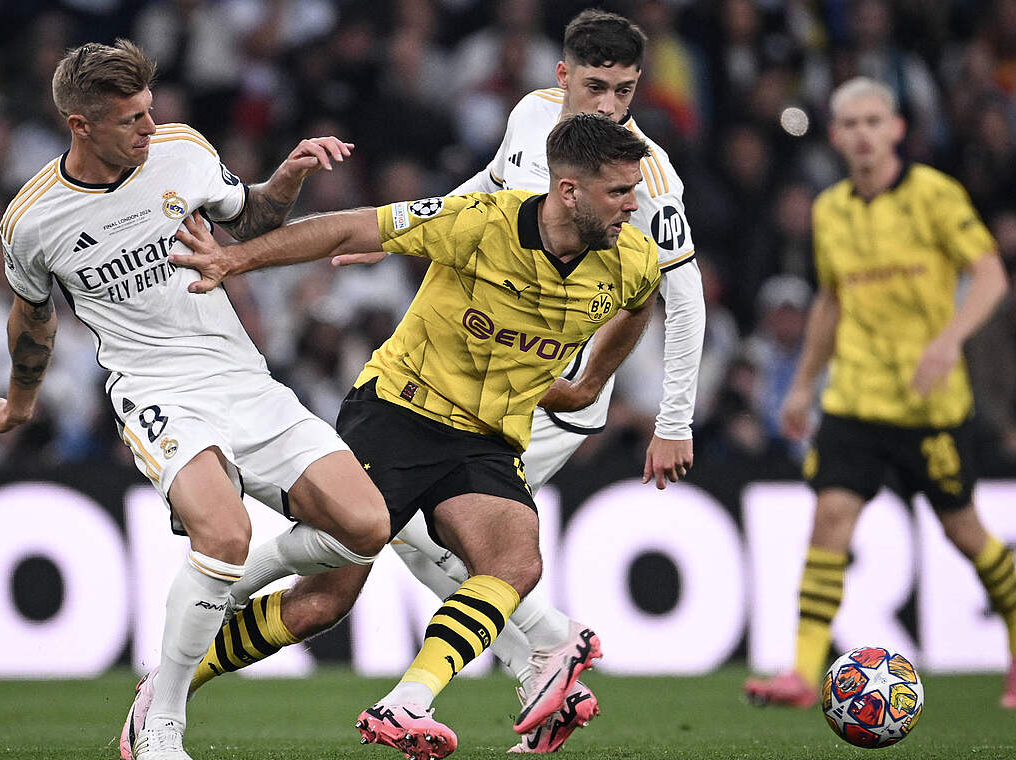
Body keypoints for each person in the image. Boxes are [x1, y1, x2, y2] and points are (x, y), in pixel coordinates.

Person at [175, 12, 705, 753]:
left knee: (491, 554)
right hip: (410, 403)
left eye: (623, 92)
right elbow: (461, 198)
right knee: (341, 574)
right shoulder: (518, 155)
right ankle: (181, 663)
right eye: (596, 87)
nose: (610, 106)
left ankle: (485, 675)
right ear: (562, 80)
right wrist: (398, 232)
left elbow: (669, 293)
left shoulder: (642, 185)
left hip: (519, 408)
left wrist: (628, 399)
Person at [0, 40, 390, 760]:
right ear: (79, 125)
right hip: (156, 391)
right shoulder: (32, 221)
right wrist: (19, 403)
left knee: (366, 526)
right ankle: (160, 723)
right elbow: (32, 319)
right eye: (131, 118)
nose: (149, 127)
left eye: (150, 110)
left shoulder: (183, 150)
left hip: (243, 378)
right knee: (223, 535)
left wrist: (287, 175)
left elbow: (253, 220)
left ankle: (213, 601)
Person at [743, 77, 1016, 710]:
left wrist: (948, 341)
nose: (862, 134)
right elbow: (829, 300)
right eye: (849, 124)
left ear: (897, 129)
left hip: (928, 404)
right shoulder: (829, 210)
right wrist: (802, 385)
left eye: (873, 121)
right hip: (855, 399)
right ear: (834, 135)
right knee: (829, 519)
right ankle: (802, 670)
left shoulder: (935, 196)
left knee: (964, 531)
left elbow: (990, 276)